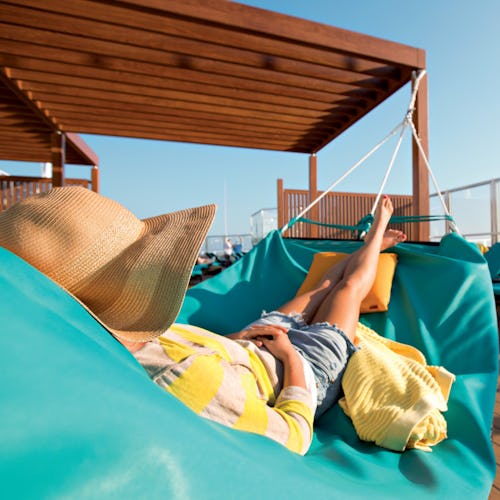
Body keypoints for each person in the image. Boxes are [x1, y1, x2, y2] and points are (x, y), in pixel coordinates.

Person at [0, 187, 405, 456]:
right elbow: (294, 434)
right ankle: (376, 237)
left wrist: (242, 336)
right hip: (302, 373)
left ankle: (367, 248)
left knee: (318, 291)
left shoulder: (131, 335)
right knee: (347, 290)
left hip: (253, 343)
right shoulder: (179, 379)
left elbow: (203, 355)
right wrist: (290, 356)